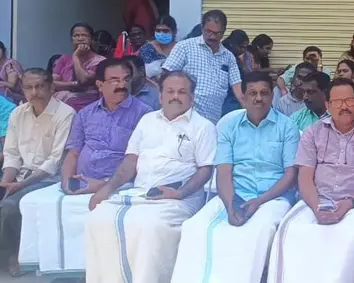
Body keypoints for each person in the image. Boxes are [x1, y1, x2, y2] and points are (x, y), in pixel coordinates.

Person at [18, 59, 151, 275]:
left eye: (126, 79)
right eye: (114, 80)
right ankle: (62, 268)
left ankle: (101, 271)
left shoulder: (145, 114)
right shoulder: (86, 113)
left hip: (121, 184)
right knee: (38, 203)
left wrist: (101, 185)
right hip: (82, 179)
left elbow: (139, 161)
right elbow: (74, 152)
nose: (122, 85)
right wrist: (66, 180)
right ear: (99, 85)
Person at [83, 71, 216, 283]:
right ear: (160, 96)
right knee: (99, 218)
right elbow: (129, 163)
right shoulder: (147, 121)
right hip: (141, 193)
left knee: (150, 226)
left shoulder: (203, 127)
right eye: (170, 91)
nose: (175, 96)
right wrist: (105, 190)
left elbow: (205, 170)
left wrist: (179, 193)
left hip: (179, 198)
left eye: (182, 92)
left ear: (192, 97)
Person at [170, 71, 299, 283]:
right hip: (234, 193)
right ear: (244, 97)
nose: (259, 98)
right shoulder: (230, 125)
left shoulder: (287, 127)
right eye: (253, 93)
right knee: (195, 227)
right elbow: (223, 171)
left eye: (264, 93)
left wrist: (259, 201)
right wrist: (230, 205)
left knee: (257, 231)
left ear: (271, 96)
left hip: (273, 197)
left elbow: (290, 175)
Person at [268, 78, 354, 283]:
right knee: (290, 231)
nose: (344, 106)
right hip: (316, 198)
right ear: (328, 105)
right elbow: (305, 176)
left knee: (349, 237)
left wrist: (350, 203)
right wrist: (316, 205)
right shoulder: (313, 132)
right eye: (337, 101)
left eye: (349, 100)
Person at [1, 68, 75, 276]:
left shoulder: (65, 114)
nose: (34, 92)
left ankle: (16, 253)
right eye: (29, 87)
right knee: (4, 196)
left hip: (48, 180)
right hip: (18, 174)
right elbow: (12, 153)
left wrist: (18, 186)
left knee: (9, 206)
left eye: (39, 86)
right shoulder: (18, 113)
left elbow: (55, 161)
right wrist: (6, 182)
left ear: (51, 87)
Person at [162, 9, 243, 123]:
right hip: (184, 116)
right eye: (208, 31)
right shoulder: (185, 47)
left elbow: (237, 86)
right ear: (201, 28)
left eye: (217, 33)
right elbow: (167, 76)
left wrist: (247, 108)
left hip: (212, 119)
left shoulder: (228, 57)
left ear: (224, 31)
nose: (212, 37)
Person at [52, 23, 107, 111]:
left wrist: (76, 57)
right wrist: (74, 84)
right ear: (72, 39)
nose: (80, 39)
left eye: (84, 35)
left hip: (87, 108)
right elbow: (52, 83)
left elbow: (83, 80)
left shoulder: (100, 61)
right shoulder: (64, 59)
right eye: (76, 36)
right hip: (60, 109)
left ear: (91, 39)